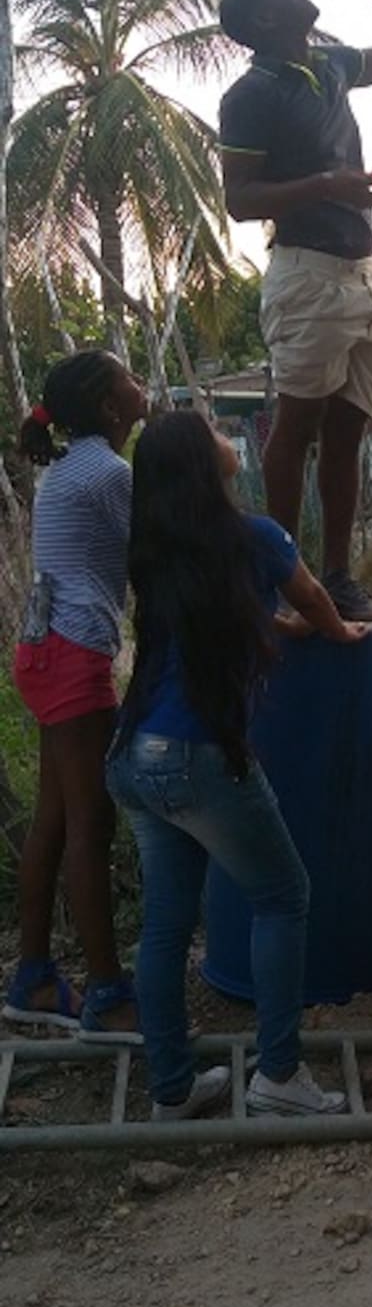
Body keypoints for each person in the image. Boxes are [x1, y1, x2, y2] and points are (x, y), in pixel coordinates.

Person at [106, 411, 366, 1120]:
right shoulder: (255, 536)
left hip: (134, 755)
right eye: (213, 428)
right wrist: (341, 632)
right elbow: (317, 604)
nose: (227, 432)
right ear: (204, 460)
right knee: (282, 896)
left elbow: (221, 614)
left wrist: (275, 623)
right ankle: (279, 1073)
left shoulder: (158, 546)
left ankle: (173, 1087)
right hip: (197, 756)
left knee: (165, 926)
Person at [217, 0, 372, 623]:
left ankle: (336, 581)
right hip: (307, 273)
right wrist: (329, 186)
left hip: (367, 272)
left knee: (350, 429)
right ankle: (283, 581)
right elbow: (238, 200)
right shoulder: (250, 95)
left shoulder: (328, 64)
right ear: (265, 18)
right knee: (297, 425)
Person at [4, 353, 147, 1041]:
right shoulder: (111, 474)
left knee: (56, 819)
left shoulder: (68, 470)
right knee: (92, 823)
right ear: (111, 407)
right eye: (128, 377)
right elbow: (153, 553)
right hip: (72, 654)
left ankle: (34, 976)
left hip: (42, 648)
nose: (138, 382)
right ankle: (109, 996)